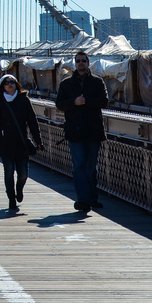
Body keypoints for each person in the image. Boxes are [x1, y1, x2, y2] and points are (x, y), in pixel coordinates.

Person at [55, 50, 108, 212]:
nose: (81, 63)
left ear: (88, 62)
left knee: (91, 166)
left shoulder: (98, 82)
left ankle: (92, 198)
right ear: (74, 63)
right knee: (79, 166)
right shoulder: (66, 84)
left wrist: (86, 102)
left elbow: (104, 102)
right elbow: (59, 104)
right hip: (75, 132)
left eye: (83, 60)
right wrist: (74, 102)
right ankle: (83, 200)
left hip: (93, 131)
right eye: (78, 61)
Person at [0, 74, 42, 211]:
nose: (10, 84)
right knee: (8, 172)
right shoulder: (0, 101)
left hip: (21, 142)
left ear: (16, 84)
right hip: (5, 142)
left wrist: (38, 140)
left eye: (12, 82)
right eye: (7, 83)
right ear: (2, 87)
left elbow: (32, 121)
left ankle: (19, 188)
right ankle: (11, 198)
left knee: (23, 174)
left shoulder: (24, 100)